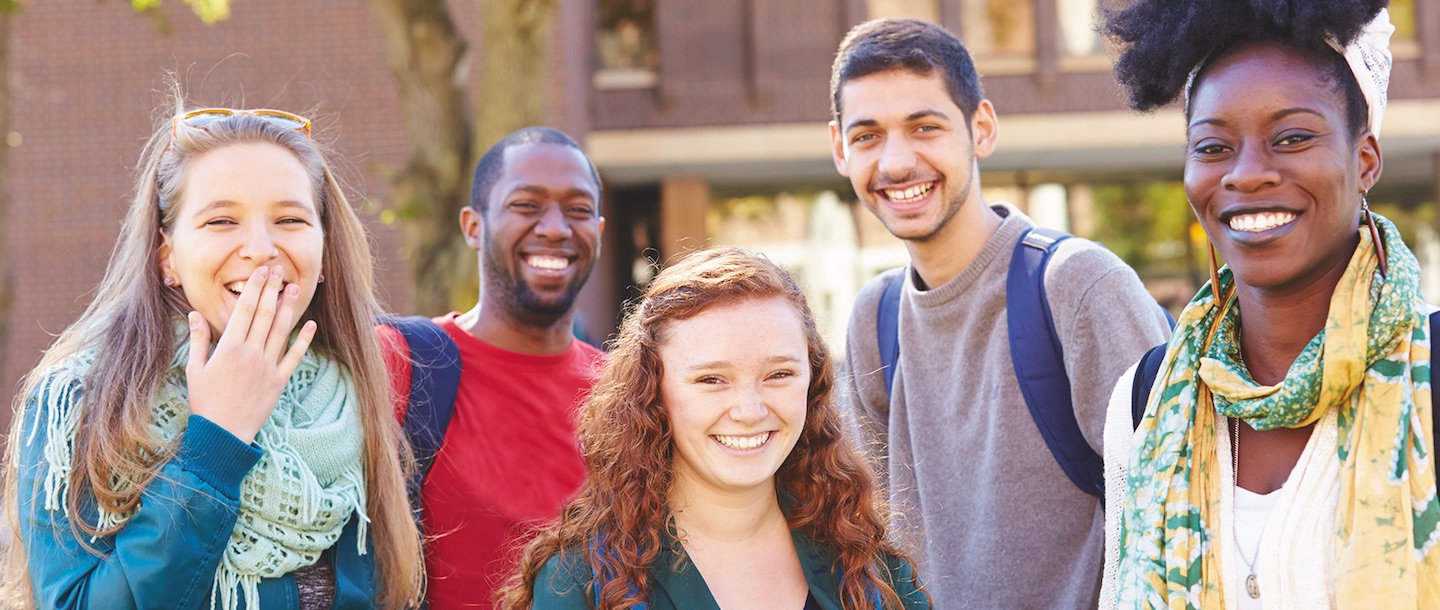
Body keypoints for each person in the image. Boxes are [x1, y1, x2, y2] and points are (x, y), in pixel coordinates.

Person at [0, 97, 424, 609]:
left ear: (325, 253)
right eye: (222, 221)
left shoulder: (349, 399)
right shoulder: (76, 400)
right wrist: (216, 441)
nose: (261, 248)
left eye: (290, 219)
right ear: (167, 257)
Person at [1098, 2, 1439, 608]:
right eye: (1213, 147)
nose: (1247, 174)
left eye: (1292, 138)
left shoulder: (1428, 375)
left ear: (1364, 160)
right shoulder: (1143, 399)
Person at [827, 18, 1173, 609]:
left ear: (980, 128)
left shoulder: (1080, 288)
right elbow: (872, 538)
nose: (896, 162)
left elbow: (1175, 509)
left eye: (924, 127)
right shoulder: (872, 320)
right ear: (839, 148)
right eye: (867, 136)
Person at [496, 246, 929, 610]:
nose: (749, 409)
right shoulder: (581, 584)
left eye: (779, 374)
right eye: (711, 380)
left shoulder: (870, 569)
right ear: (653, 393)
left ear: (813, 382)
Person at [379, 126, 606, 610]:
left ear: (599, 233)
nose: (555, 228)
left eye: (578, 210)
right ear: (473, 226)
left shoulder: (626, 389)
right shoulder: (402, 360)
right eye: (526, 205)